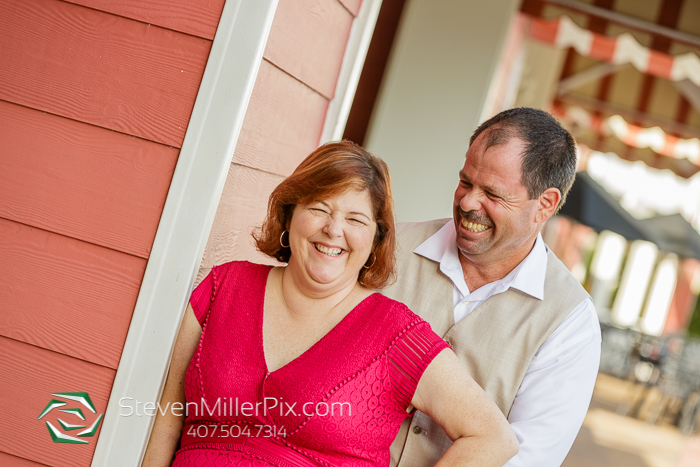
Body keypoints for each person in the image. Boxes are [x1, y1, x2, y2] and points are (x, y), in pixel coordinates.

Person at [143, 141, 518, 467]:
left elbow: (493, 438)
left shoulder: (397, 336)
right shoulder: (223, 287)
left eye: (355, 219)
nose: (334, 229)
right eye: (320, 208)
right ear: (290, 215)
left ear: (375, 240)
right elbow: (167, 418)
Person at [383, 108, 602, 467]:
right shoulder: (389, 247)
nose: (468, 202)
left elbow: (525, 457)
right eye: (466, 182)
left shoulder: (569, 322)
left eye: (492, 194)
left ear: (544, 205)